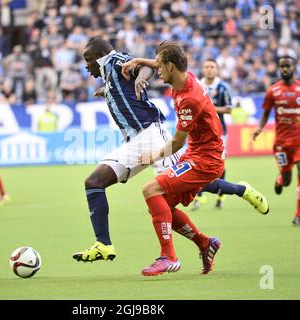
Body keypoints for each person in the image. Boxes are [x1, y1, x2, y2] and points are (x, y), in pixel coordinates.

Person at [121, 42, 268, 276]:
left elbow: (177, 142)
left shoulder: (190, 98)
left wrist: (152, 157)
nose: (157, 70)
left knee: (151, 190)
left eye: (160, 66)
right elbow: (163, 63)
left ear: (170, 66)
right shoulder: (183, 77)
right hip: (197, 153)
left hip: (205, 160)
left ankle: (168, 257)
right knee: (164, 205)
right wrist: (139, 61)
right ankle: (204, 243)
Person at [72, 37, 181, 263]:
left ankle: (239, 191)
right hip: (133, 142)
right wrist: (108, 92)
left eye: (89, 59)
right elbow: (122, 89)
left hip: (152, 134)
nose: (86, 66)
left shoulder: (115, 59)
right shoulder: (108, 77)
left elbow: (144, 66)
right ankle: (103, 245)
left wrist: (141, 78)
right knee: (93, 183)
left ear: (101, 55)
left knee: (186, 186)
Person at [253, 56, 300, 227]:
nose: (284, 69)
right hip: (282, 142)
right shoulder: (273, 91)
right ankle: (281, 178)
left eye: (287, 66)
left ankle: (298, 215)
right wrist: (260, 128)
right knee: (288, 179)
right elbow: (266, 113)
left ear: (294, 68)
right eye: (281, 66)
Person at [192, 59, 234, 210]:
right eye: (206, 67)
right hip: (199, 133)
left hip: (219, 132)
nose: (209, 69)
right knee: (197, 163)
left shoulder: (222, 87)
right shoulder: (197, 85)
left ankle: (221, 196)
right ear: (203, 69)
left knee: (219, 165)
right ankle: (199, 197)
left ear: (217, 70)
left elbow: (229, 109)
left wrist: (209, 108)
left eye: (212, 67)